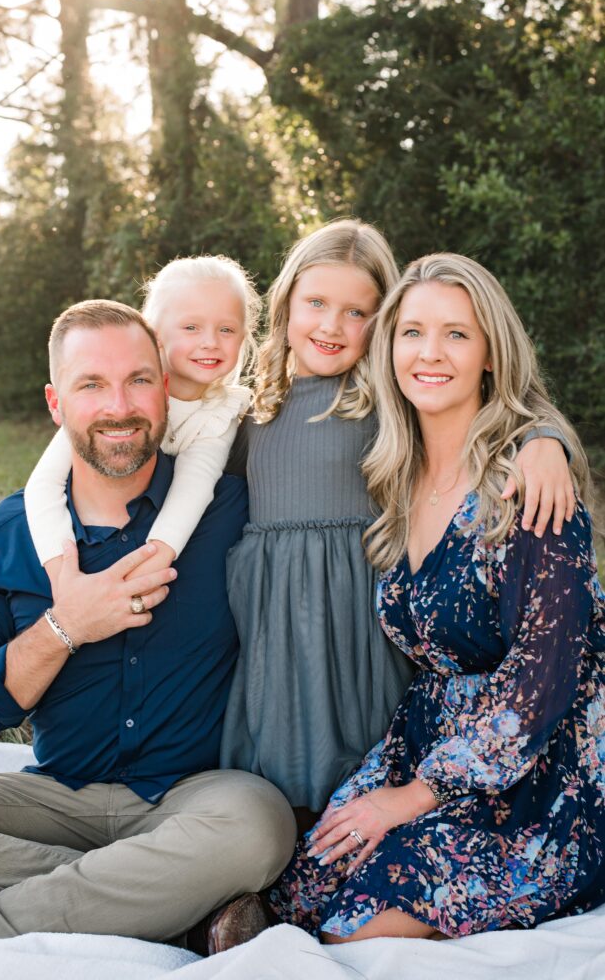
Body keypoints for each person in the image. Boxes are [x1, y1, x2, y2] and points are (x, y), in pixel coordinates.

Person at [0, 299, 295, 955]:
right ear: (55, 402)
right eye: (91, 384)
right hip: (56, 802)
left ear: (166, 388)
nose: (118, 405)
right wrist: (65, 627)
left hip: (197, 797)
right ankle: (179, 907)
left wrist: (537, 437)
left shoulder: (234, 502)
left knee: (257, 829)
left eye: (138, 380)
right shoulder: (12, 531)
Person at [268, 252, 605, 941]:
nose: (429, 353)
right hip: (429, 743)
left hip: (544, 768)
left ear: (489, 354)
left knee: (359, 919)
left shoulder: (530, 485)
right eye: (411, 332)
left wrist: (409, 799)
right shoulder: (393, 472)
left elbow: (544, 679)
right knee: (299, 888)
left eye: (456, 334)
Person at [219, 220, 575, 825]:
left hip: (358, 625)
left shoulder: (381, 402)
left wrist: (546, 438)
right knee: (270, 779)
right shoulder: (250, 407)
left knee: (353, 764)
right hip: (273, 626)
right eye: (316, 303)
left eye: (356, 312)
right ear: (286, 303)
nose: (331, 326)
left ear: (382, 326)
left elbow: (494, 401)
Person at [24, 255, 257, 584]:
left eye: (227, 329)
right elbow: (44, 484)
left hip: (162, 543)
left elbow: (195, 485)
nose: (210, 342)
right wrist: (63, 576)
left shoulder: (222, 409)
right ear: (155, 336)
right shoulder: (118, 402)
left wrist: (150, 567)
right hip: (92, 532)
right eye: (191, 327)